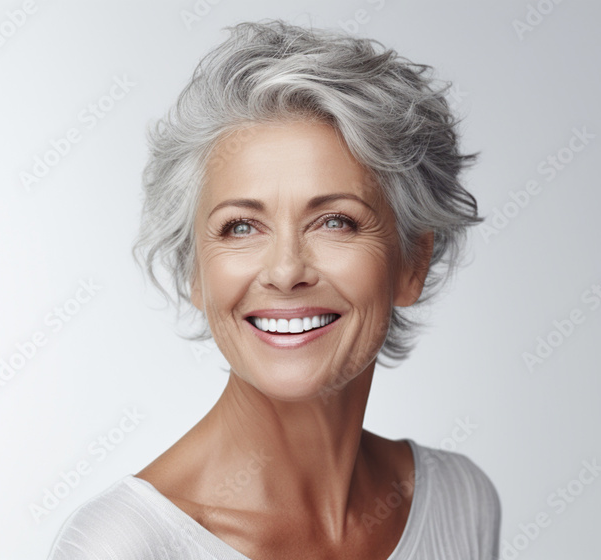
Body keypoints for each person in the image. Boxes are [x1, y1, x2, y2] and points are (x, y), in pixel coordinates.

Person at [46, 19, 500, 559]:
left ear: (412, 263)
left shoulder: (461, 500)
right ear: (195, 272)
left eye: (335, 221)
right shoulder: (122, 547)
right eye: (241, 227)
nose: (286, 271)